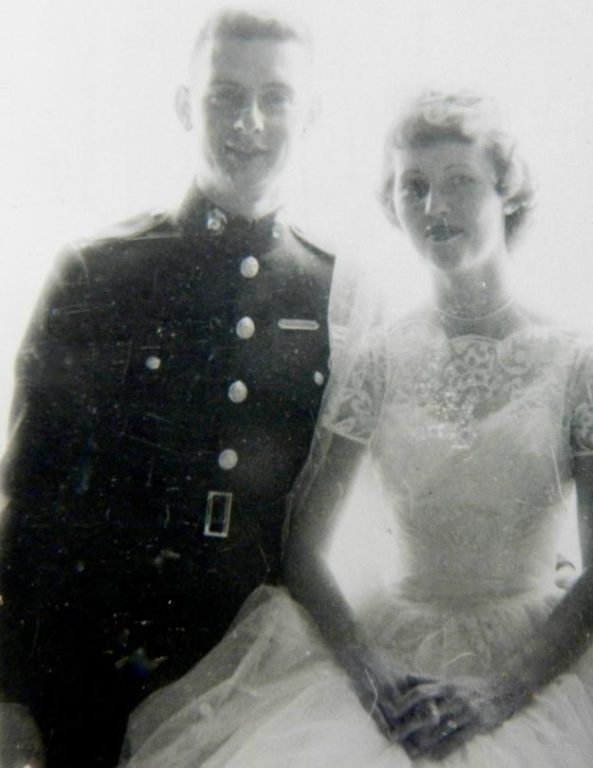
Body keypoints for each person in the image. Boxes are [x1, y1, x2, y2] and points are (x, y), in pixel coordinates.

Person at [118, 90, 593, 767]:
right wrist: (369, 672)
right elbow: (305, 550)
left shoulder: (581, 360)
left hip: (533, 672)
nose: (435, 209)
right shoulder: (378, 357)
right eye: (413, 187)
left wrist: (499, 694)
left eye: (459, 183)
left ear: (507, 191)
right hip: (388, 654)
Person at [0, 8, 373, 766]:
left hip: (250, 683)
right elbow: (26, 503)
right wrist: (8, 699)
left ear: (314, 115)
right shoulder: (98, 272)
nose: (251, 122)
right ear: (183, 105)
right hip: (95, 672)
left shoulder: (338, 295)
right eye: (224, 96)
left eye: (277, 98)